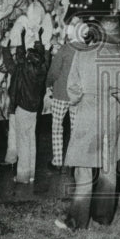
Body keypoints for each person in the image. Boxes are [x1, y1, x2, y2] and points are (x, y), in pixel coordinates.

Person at [55, 17, 120, 232]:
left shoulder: (82, 54)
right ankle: (103, 217)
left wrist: (78, 101)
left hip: (88, 112)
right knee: (108, 167)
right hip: (113, 113)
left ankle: (76, 221)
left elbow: (72, 87)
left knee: (83, 168)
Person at [46, 10, 91, 171]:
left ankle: (57, 161)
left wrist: (48, 84)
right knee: (75, 128)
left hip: (60, 94)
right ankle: (74, 161)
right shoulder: (88, 50)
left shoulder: (65, 49)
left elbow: (53, 71)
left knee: (57, 127)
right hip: (78, 96)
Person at [1, 31, 48, 185]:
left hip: (22, 109)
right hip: (34, 111)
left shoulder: (22, 70)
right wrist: (37, 38)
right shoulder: (42, 69)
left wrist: (5, 47)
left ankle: (22, 176)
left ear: (28, 60)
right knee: (31, 141)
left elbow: (10, 63)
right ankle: (31, 174)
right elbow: (40, 54)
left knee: (23, 143)